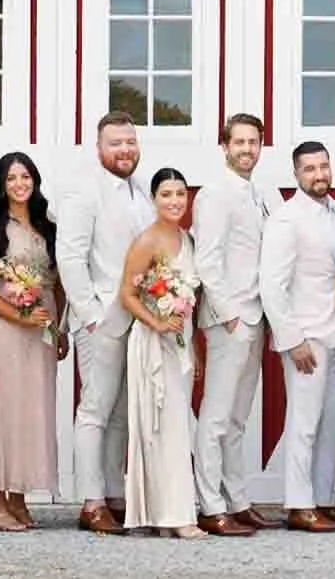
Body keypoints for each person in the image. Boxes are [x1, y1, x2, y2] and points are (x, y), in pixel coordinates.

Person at [55, 111, 153, 535]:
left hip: (138, 318)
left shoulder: (141, 194)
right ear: (99, 148)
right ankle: (91, 501)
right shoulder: (84, 191)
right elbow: (71, 257)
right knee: (94, 409)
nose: (125, 150)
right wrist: (90, 316)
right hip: (101, 317)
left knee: (120, 413)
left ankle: (115, 494)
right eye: (116, 143)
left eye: (130, 142)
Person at [0, 149, 62, 532]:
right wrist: (19, 315)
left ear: (35, 181)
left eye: (25, 177)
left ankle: (19, 498)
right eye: (12, 179)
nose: (20, 184)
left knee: (30, 411)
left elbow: (58, 283)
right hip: (3, 330)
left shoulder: (47, 225)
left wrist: (60, 330)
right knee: (0, 410)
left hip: (41, 329)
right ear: (1, 186)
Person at [261, 139, 335, 532]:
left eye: (324, 167)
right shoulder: (286, 219)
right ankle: (299, 504)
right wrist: (291, 337)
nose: (319, 174)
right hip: (306, 335)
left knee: (331, 422)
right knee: (304, 421)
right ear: (296, 174)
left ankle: (323, 498)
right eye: (310, 169)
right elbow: (272, 284)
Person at [193, 112, 271, 536]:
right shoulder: (215, 194)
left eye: (253, 142)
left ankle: (236, 498)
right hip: (230, 319)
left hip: (255, 315)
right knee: (217, 416)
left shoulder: (259, 192)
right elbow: (208, 259)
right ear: (224, 146)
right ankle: (210, 504)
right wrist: (229, 315)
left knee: (239, 417)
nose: (246, 149)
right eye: (238, 142)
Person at [118, 167, 202, 538]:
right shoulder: (146, 241)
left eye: (180, 194)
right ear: (154, 200)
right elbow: (127, 295)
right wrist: (155, 323)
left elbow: (191, 305)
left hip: (179, 342)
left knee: (177, 427)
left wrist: (194, 347)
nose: (175, 201)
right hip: (152, 342)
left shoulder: (189, 240)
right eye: (166, 194)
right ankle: (176, 516)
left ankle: (169, 512)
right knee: (160, 428)